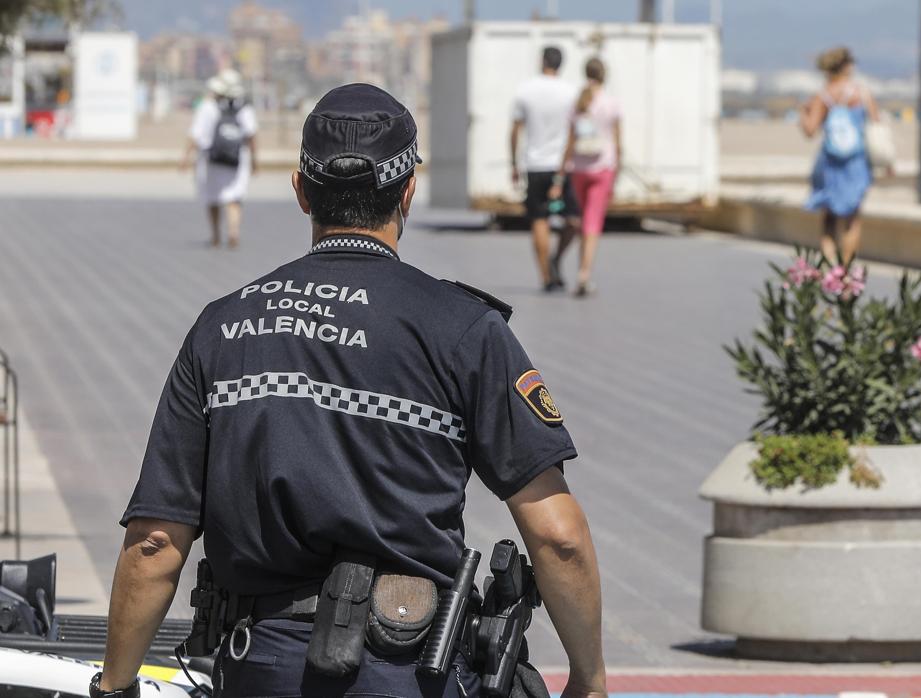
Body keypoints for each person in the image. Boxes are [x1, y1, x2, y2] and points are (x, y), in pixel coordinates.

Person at [97, 84, 607, 698]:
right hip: (413, 669)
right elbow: (559, 536)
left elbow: (155, 542)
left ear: (301, 191)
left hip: (260, 667)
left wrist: (116, 686)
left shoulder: (222, 327)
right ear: (408, 191)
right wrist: (589, 678)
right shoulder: (465, 328)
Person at [798, 46, 880, 265]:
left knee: (829, 218)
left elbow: (809, 130)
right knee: (852, 219)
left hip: (830, 162)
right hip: (856, 162)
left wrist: (804, 112)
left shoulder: (823, 95)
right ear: (847, 66)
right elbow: (875, 125)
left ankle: (831, 266)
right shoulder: (861, 93)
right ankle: (847, 268)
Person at [510, 46, 580, 292]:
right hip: (562, 165)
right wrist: (566, 165)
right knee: (573, 220)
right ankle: (554, 262)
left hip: (535, 164)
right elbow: (574, 133)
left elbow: (515, 130)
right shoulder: (571, 92)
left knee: (539, 219)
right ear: (561, 63)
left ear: (542, 61)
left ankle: (546, 275)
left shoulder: (525, 90)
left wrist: (514, 164)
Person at [552, 58, 621, 298]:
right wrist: (617, 171)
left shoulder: (579, 102)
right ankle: (584, 274)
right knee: (592, 223)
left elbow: (569, 143)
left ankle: (579, 269)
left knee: (582, 221)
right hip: (602, 168)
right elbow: (618, 141)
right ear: (605, 75)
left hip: (578, 169)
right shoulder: (611, 103)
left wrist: (561, 175)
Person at [182, 69, 258, 249]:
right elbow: (251, 135)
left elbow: (196, 135)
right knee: (234, 198)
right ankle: (233, 232)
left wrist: (185, 157)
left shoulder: (208, 107)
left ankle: (216, 235)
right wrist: (255, 160)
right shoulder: (244, 108)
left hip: (211, 160)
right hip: (237, 159)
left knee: (213, 197)